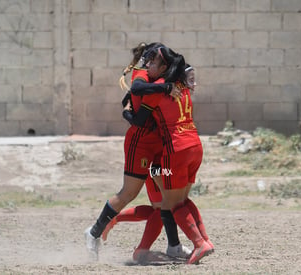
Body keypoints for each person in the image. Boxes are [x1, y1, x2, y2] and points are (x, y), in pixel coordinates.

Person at [84, 42, 191, 262]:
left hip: (159, 146)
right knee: (129, 193)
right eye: (155, 60)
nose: (154, 64)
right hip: (140, 144)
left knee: (165, 197)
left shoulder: (159, 78)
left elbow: (133, 99)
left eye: (159, 62)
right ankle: (94, 232)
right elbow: (137, 93)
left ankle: (173, 246)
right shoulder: (144, 74)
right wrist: (161, 91)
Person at [123, 47, 214, 264]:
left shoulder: (157, 89)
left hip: (174, 152)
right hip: (194, 147)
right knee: (176, 201)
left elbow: (138, 116)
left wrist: (126, 109)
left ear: (164, 67)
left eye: (153, 63)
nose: (148, 67)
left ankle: (197, 244)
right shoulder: (181, 85)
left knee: (168, 205)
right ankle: (197, 242)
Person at [102, 64, 198, 246]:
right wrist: (127, 111)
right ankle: (146, 250)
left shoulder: (179, 97)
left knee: (163, 206)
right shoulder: (160, 92)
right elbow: (131, 99)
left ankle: (172, 246)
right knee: (164, 206)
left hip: (165, 158)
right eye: (191, 80)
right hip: (152, 160)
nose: (194, 84)